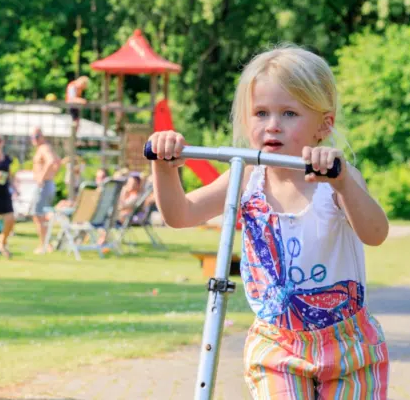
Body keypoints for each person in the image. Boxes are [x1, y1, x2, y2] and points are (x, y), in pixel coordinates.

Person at [148, 45, 390, 398]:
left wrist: (342, 184)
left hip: (348, 343)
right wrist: (164, 167)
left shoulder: (338, 180)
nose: (273, 125)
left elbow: (376, 233)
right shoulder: (246, 178)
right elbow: (180, 214)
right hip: (276, 343)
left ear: (324, 125)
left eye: (290, 113)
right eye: (261, 113)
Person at [29, 127, 63, 254]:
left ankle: (44, 244)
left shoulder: (43, 148)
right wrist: (52, 173)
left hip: (44, 184)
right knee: (40, 215)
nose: (34, 140)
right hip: (48, 183)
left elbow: (52, 161)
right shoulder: (45, 148)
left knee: (38, 215)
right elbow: (58, 162)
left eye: (37, 136)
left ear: (42, 136)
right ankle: (45, 243)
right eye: (32, 137)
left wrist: (42, 177)